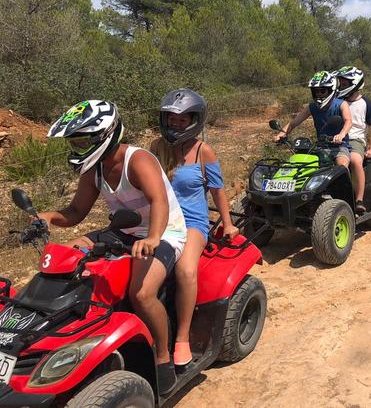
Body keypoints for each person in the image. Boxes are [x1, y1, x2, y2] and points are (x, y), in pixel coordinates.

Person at [40, 100, 186, 394]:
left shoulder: (138, 160)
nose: (77, 149)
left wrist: (153, 238)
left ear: (104, 136)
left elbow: (159, 201)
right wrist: (47, 218)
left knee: (142, 293)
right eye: (74, 142)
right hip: (124, 230)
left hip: (165, 231)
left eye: (82, 141)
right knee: (65, 258)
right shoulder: (94, 169)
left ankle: (162, 357)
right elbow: (76, 212)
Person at [150, 88, 239, 368]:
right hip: (159, 222)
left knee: (186, 270)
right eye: (171, 119)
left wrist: (227, 223)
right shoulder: (156, 148)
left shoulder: (204, 151)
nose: (176, 125)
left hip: (192, 223)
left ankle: (183, 338)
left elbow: (217, 190)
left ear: (194, 121)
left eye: (182, 119)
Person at [273, 71, 353, 168]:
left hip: (339, 146)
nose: (319, 94)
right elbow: (294, 123)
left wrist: (341, 134)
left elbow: (348, 121)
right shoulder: (312, 107)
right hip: (319, 147)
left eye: (322, 91)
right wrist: (281, 134)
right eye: (316, 92)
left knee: (341, 165)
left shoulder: (341, 104)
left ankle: (346, 183)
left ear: (331, 90)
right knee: (304, 167)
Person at [334, 66, 371, 214]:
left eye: (344, 84)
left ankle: (359, 199)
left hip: (355, 140)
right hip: (336, 138)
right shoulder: (337, 101)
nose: (341, 86)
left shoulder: (366, 103)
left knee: (355, 160)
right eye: (340, 83)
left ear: (355, 83)